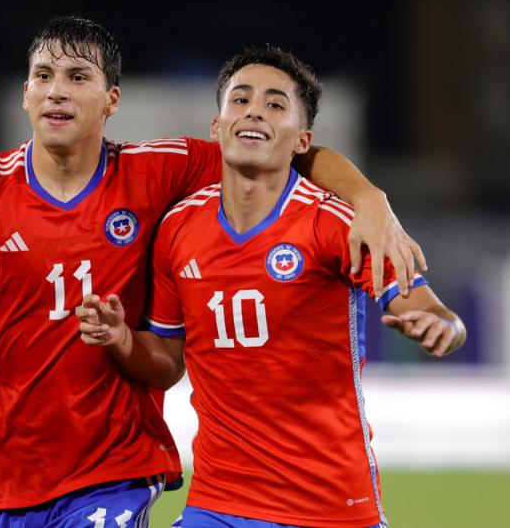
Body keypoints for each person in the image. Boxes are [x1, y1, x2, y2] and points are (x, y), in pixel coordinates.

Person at [0, 16, 425, 527]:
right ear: (25, 94)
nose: (57, 88)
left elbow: (286, 151)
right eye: (42, 75)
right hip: (0, 469)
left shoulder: (160, 171)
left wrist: (371, 199)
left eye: (77, 75)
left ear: (110, 98)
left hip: (115, 466)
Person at [76, 45, 466, 528]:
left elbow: (425, 304)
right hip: (218, 503)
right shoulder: (178, 229)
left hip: (329, 507)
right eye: (240, 100)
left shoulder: (335, 222)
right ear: (217, 127)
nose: (255, 109)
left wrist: (440, 324)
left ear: (303, 140)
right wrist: (123, 341)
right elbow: (165, 363)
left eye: (276, 103)